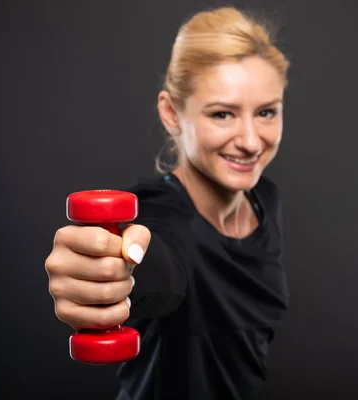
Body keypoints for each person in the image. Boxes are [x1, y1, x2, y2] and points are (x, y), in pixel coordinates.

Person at [45, 6, 290, 399]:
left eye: (266, 112)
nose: (250, 140)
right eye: (222, 114)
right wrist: (108, 272)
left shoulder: (264, 200)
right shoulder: (160, 214)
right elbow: (158, 259)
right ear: (171, 113)